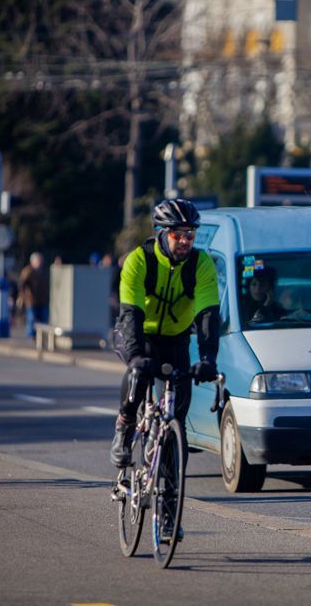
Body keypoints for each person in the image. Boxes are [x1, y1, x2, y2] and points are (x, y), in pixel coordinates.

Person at [110, 199, 221, 536]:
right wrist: (133, 355)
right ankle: (125, 425)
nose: (185, 241)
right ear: (161, 233)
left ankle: (170, 516)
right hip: (139, 335)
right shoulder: (138, 261)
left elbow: (207, 316)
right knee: (139, 372)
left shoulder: (201, 265)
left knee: (177, 427)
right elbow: (130, 313)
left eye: (190, 235)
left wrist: (208, 359)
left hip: (175, 340)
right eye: (178, 235)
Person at [18, 252, 50, 338]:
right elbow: (22, 284)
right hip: (31, 300)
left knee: (43, 319)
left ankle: (41, 336)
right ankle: (31, 335)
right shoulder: (28, 271)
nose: (40, 262)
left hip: (43, 300)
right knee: (32, 318)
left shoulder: (45, 271)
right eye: (38, 260)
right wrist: (24, 295)